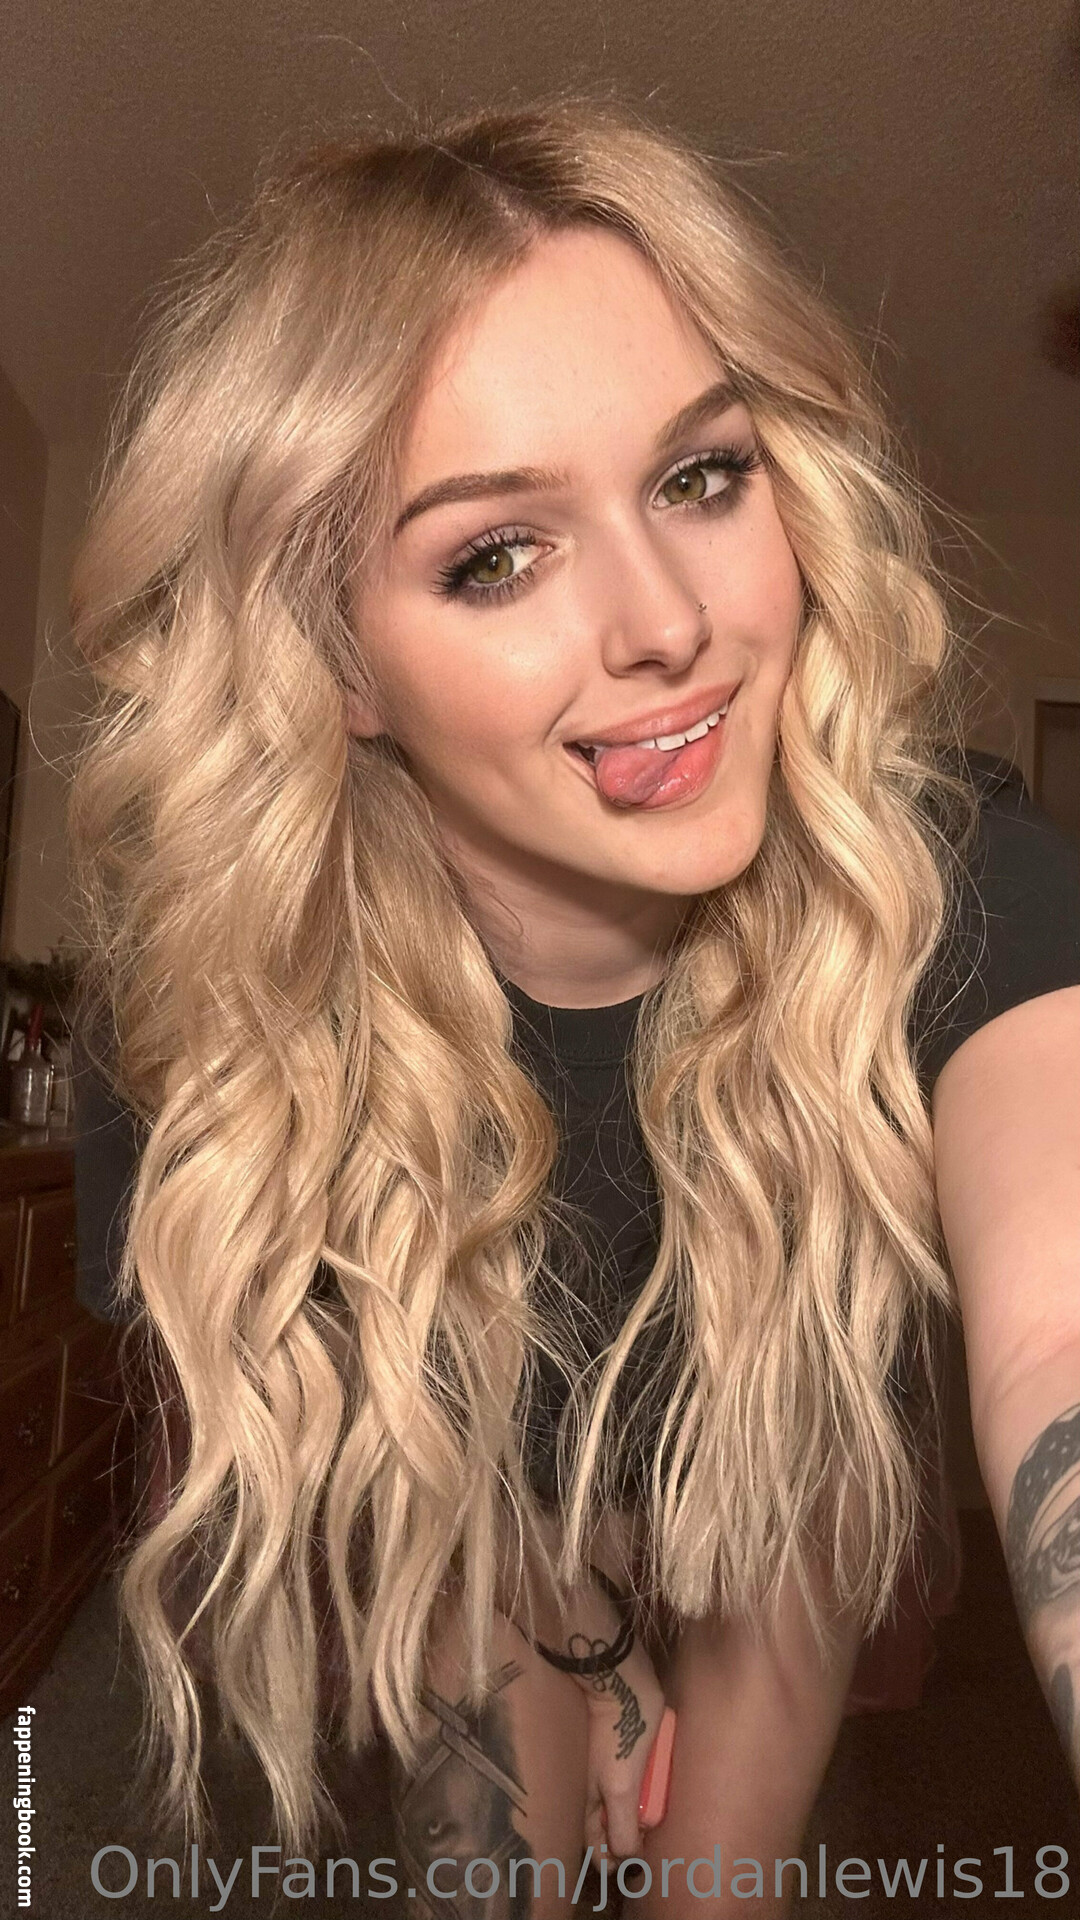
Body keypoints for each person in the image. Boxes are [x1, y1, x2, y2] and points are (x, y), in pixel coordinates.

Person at [66, 95, 1080, 1918]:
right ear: (341, 670)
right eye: (496, 555)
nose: (667, 623)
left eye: (702, 477)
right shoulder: (220, 1018)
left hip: (773, 1483)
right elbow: (406, 1481)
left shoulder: (952, 886)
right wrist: (592, 1640)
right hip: (469, 1512)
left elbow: (1054, 1345)